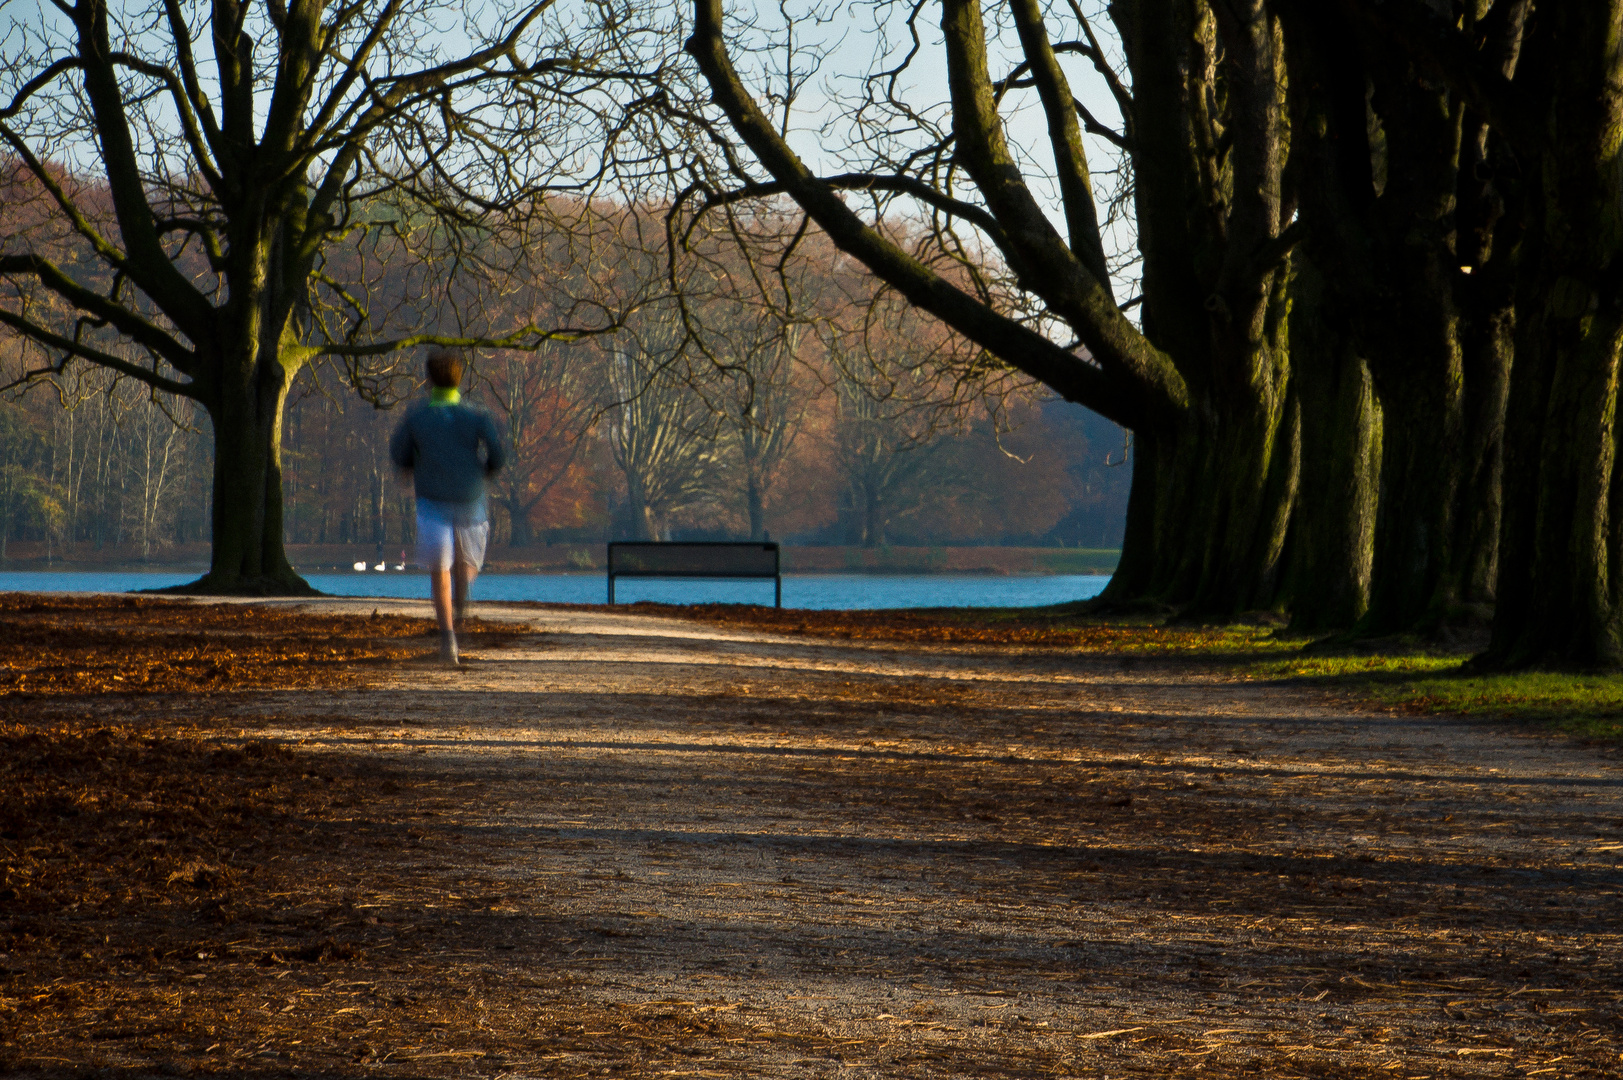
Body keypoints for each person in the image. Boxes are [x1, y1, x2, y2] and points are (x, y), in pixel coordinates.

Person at [389, 349, 505, 666]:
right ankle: (461, 594)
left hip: (431, 499)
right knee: (467, 564)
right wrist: (485, 472)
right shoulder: (476, 415)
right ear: (460, 378)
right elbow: (496, 453)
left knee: (439, 569)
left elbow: (399, 454)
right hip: (470, 496)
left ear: (428, 379)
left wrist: (416, 465)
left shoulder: (417, 415)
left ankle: (447, 640)